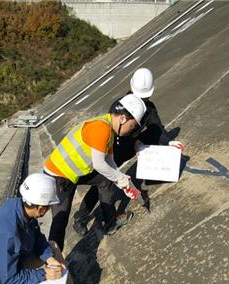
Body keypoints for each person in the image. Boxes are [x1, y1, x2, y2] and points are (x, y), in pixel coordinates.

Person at [73, 67, 184, 235]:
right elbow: (112, 133)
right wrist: (135, 144)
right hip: (111, 151)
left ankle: (87, 217)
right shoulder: (120, 107)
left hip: (128, 148)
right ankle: (88, 219)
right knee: (103, 185)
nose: (142, 99)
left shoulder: (149, 108)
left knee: (103, 185)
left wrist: (169, 142)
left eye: (145, 97)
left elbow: (157, 128)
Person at [44, 94, 147, 251]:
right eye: (132, 127)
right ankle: (53, 263)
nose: (130, 131)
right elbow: (99, 164)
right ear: (123, 119)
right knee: (60, 220)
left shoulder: (110, 129)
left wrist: (124, 181)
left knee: (104, 180)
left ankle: (107, 222)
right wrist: (120, 179)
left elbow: (109, 162)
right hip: (59, 174)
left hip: (75, 170)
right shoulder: (102, 128)